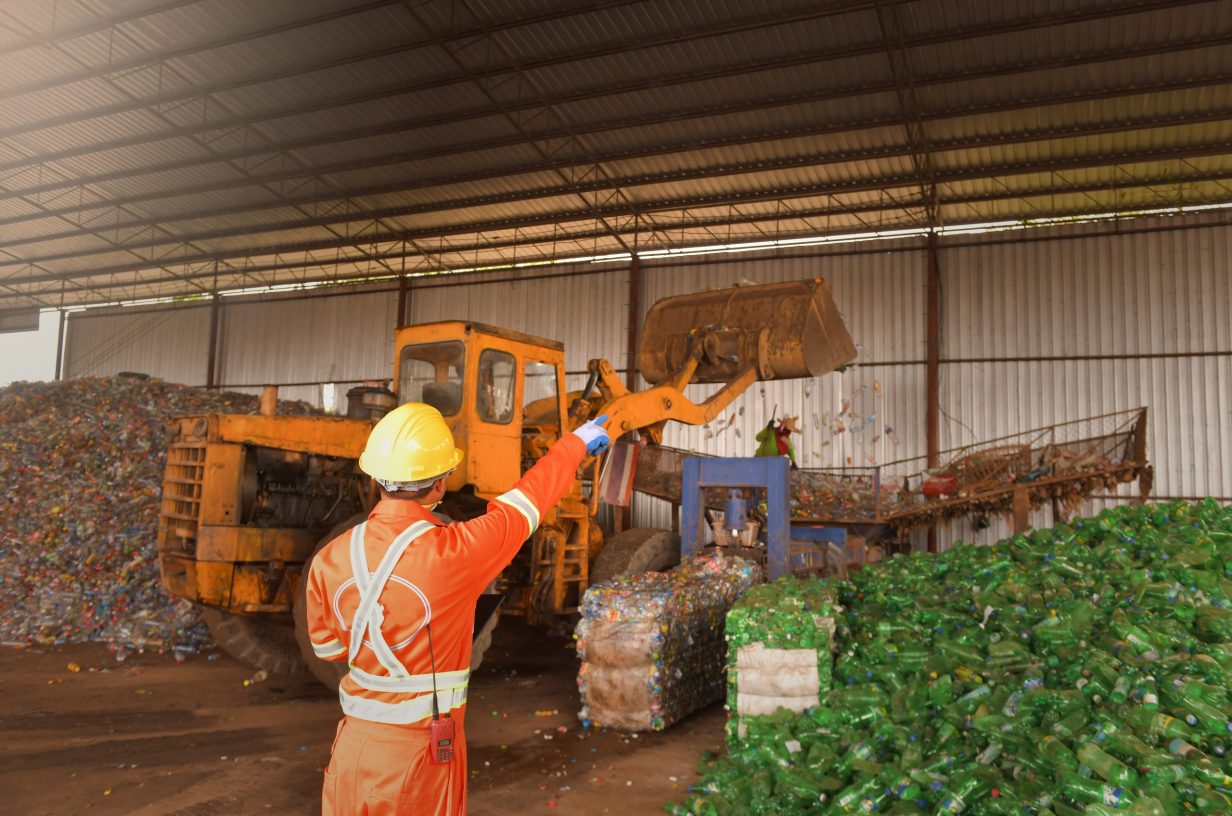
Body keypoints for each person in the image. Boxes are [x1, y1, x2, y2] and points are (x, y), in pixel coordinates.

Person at [304, 402, 610, 815]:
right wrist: (574, 445)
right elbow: (527, 502)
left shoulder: (328, 557)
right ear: (441, 483)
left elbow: (330, 651)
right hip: (418, 759)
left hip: (350, 751)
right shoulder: (455, 552)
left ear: (375, 477)